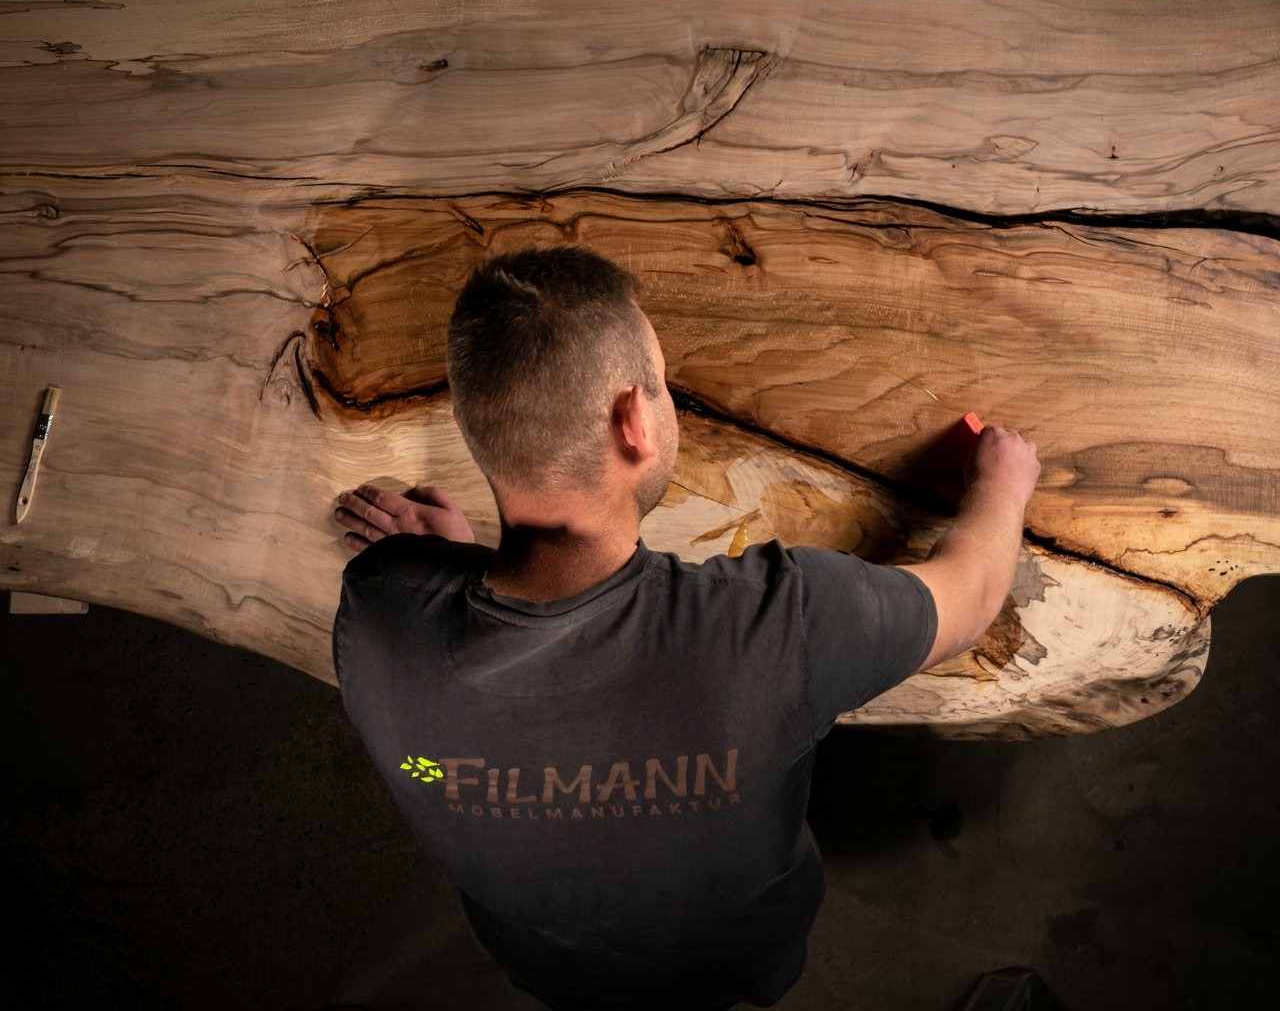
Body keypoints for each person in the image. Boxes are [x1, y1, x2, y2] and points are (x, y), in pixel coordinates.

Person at [331, 245, 1039, 1011]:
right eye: (663, 387)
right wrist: (1004, 485)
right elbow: (969, 601)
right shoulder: (774, 628)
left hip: (548, 967)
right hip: (733, 965)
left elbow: (446, 767)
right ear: (636, 420)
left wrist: (448, 566)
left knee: (439, 775)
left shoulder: (379, 613)